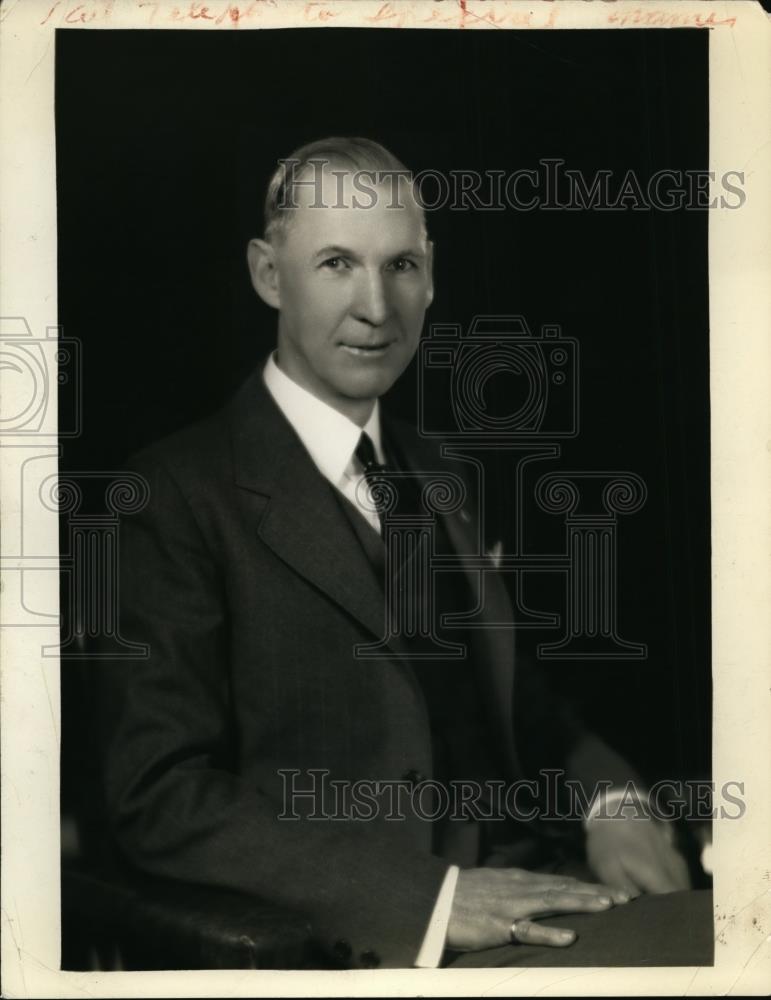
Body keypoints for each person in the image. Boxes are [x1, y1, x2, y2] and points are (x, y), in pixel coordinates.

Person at [97, 137, 698, 970]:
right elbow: (156, 797)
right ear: (269, 275)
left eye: (401, 265)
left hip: (553, 886)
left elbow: (524, 712)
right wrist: (429, 901)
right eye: (337, 263)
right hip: (385, 942)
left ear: (432, 274)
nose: (376, 307)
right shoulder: (170, 494)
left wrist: (614, 798)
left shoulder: (442, 470)